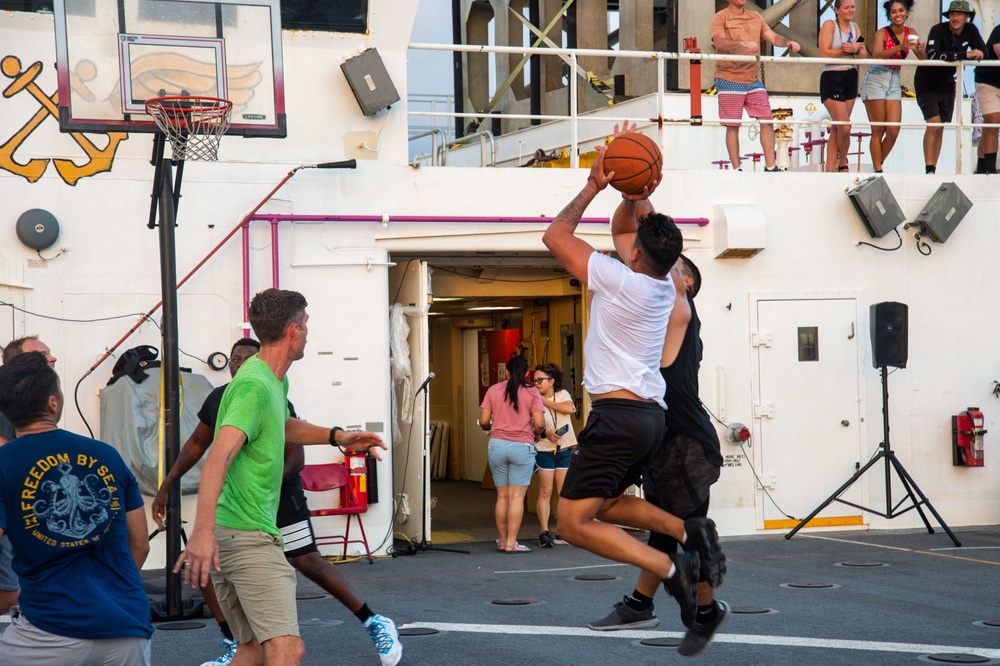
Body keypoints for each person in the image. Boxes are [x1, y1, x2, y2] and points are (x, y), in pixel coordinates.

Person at [541, 123, 724, 630]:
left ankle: (671, 566)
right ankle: (687, 533)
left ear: (637, 256)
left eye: (632, 246)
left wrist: (597, 185)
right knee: (607, 504)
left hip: (620, 416)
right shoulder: (669, 289)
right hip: (649, 418)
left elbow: (556, 236)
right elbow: (628, 231)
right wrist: (637, 194)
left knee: (573, 522)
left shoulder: (619, 280)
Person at [174, 289, 396, 666]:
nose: (309, 331)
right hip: (247, 536)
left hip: (233, 532)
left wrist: (336, 436)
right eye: (306, 324)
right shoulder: (254, 386)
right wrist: (200, 533)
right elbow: (218, 457)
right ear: (293, 331)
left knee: (253, 650)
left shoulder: (272, 381)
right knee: (286, 649)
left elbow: (282, 424)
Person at [588, 254, 728, 657]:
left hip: (686, 446)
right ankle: (640, 604)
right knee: (663, 531)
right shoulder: (652, 320)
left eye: (671, 268)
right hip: (659, 441)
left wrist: (648, 219)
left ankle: (705, 612)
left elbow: (666, 263)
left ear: (684, 283)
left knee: (692, 532)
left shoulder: (683, 319)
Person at [0, 351, 153, 664]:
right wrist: (113, 590)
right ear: (52, 403)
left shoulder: (4, 464)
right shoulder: (107, 455)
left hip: (47, 632)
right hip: (127, 626)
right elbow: (140, 543)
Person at [0, 336, 58, 617]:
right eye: (43, 355)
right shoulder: (11, 402)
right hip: (15, 510)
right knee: (12, 593)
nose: (52, 358)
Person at [710, 0, 801, 171]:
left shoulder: (755, 16)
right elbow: (720, 43)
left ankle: (770, 165)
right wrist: (742, 43)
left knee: (766, 119)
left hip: (752, 79)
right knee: (733, 125)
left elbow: (772, 37)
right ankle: (737, 168)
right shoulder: (720, 17)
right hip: (728, 77)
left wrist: (788, 42)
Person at [479, 355, 544, 553]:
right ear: (527, 374)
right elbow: (540, 423)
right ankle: (511, 543)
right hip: (522, 446)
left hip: (497, 445)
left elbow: (483, 421)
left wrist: (493, 426)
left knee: (502, 496)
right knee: (516, 497)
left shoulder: (493, 390)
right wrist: (536, 434)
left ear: (506, 372)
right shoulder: (532, 392)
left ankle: (501, 540)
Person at [914, 0, 986, 174]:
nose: (955, 17)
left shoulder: (971, 30)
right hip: (926, 83)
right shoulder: (938, 29)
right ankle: (929, 170)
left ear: (967, 17)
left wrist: (979, 53)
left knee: (941, 127)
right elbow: (932, 55)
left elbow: (984, 51)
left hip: (947, 84)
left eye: (959, 14)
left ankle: (933, 168)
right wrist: (966, 55)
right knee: (934, 124)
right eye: (952, 14)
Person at [860, 0, 926, 172]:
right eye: (894, 12)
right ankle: (877, 171)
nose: (898, 15)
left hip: (895, 79)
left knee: (894, 130)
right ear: (889, 15)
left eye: (901, 11)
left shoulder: (910, 32)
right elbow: (877, 55)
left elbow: (922, 58)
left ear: (907, 12)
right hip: (877, 77)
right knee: (878, 129)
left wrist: (920, 48)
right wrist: (899, 47)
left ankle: (876, 166)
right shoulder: (882, 32)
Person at [818, 0, 868, 172]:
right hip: (832, 76)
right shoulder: (829, 25)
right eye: (846, 7)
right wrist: (847, 50)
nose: (850, 10)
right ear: (837, 10)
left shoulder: (855, 27)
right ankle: (843, 163)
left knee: (838, 127)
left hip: (850, 76)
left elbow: (863, 55)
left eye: (852, 7)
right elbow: (824, 52)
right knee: (845, 126)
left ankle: (830, 170)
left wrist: (856, 50)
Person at [532, 363, 577, 548]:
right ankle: (544, 532)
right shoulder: (532, 398)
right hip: (544, 449)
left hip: (564, 448)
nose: (536, 383)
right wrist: (545, 433)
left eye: (540, 380)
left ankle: (563, 530)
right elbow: (531, 426)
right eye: (534, 380)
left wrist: (544, 401)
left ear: (551, 381)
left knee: (563, 491)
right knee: (545, 491)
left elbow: (570, 409)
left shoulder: (563, 394)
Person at [974, 19, 1000, 174]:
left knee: (990, 124)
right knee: (993, 121)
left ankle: (981, 168)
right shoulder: (999, 31)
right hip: (988, 81)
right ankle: (990, 171)